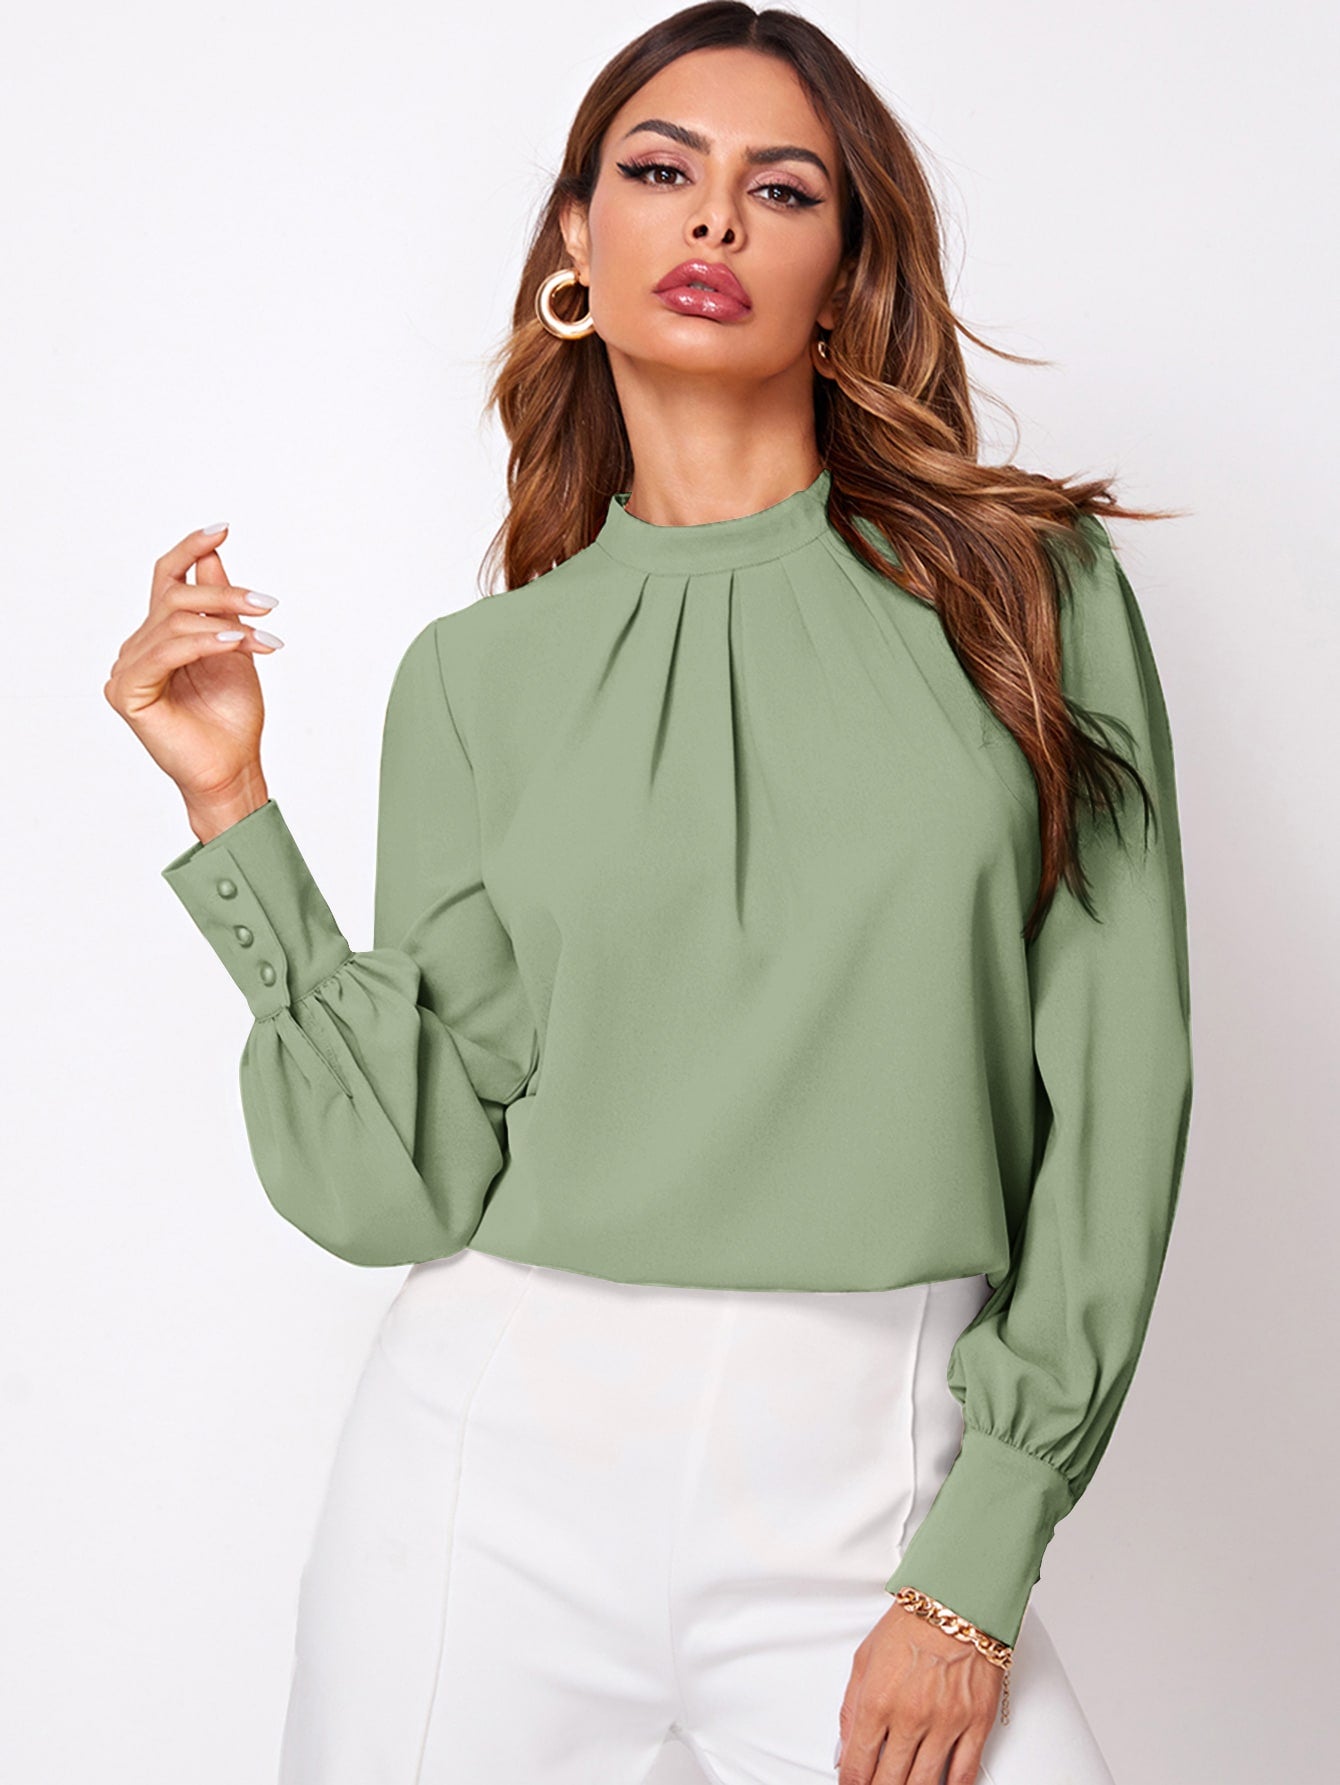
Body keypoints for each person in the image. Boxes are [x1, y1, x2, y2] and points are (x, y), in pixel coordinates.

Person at [105, 6, 1194, 1783]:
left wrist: (981, 1554)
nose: (713, 219)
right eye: (661, 171)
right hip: (483, 1479)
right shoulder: (477, 678)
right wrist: (231, 808)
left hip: (881, 1485)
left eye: (785, 190)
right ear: (577, 240)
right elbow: (409, 1180)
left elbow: (1122, 1083)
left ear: (844, 279)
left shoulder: (1023, 593)